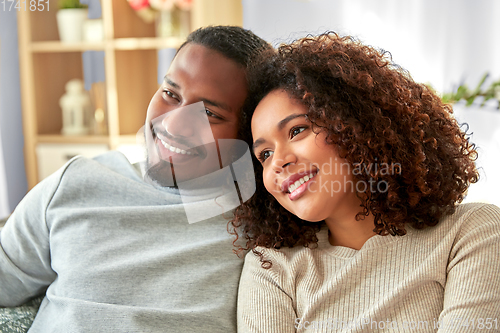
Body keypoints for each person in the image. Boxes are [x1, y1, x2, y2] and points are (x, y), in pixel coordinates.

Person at [0, 26, 271, 332]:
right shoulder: (76, 183)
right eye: (170, 94)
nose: (174, 124)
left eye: (209, 113)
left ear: (250, 136)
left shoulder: (266, 224)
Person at [232, 32, 500, 332]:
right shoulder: (272, 267)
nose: (278, 161)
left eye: (297, 131)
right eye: (264, 154)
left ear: (353, 124)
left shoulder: (470, 232)